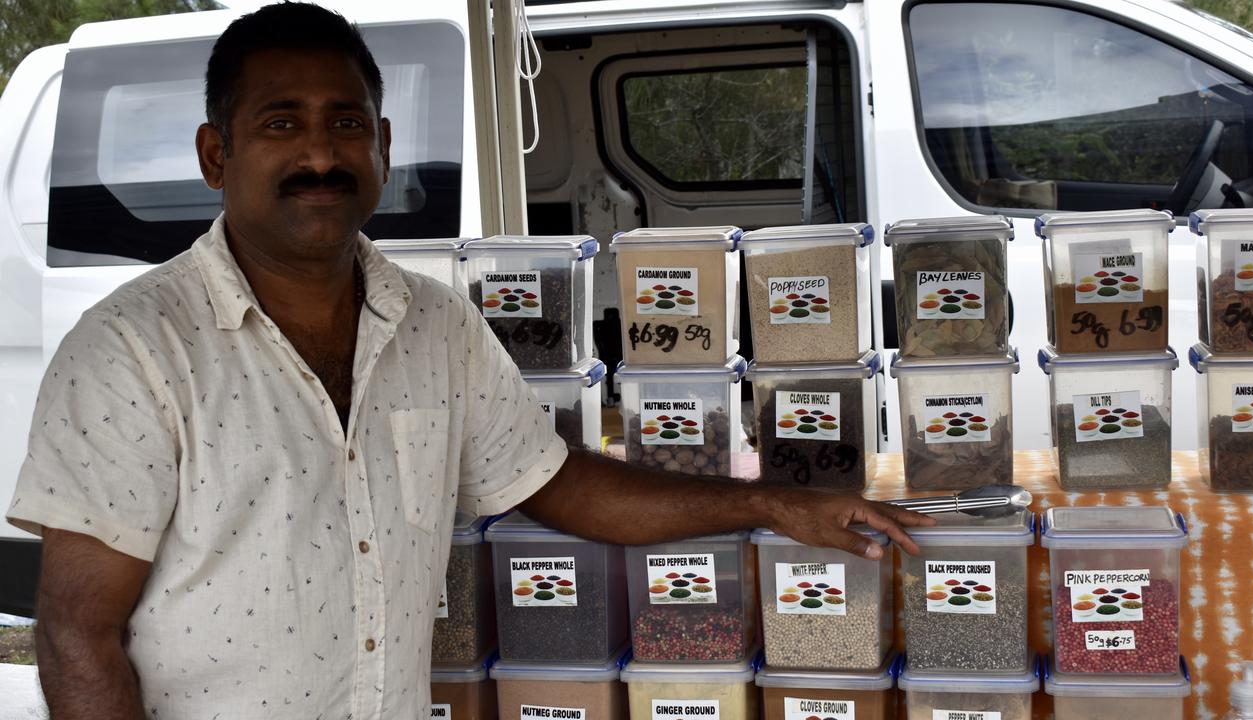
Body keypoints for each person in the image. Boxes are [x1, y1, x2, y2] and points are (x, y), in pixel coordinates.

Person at [5, 3, 932, 718]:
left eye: (347, 123)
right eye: (281, 125)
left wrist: (774, 501)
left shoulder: (435, 327)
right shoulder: (132, 349)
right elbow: (76, 634)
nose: (322, 154)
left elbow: (557, 485)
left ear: (384, 145)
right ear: (217, 154)